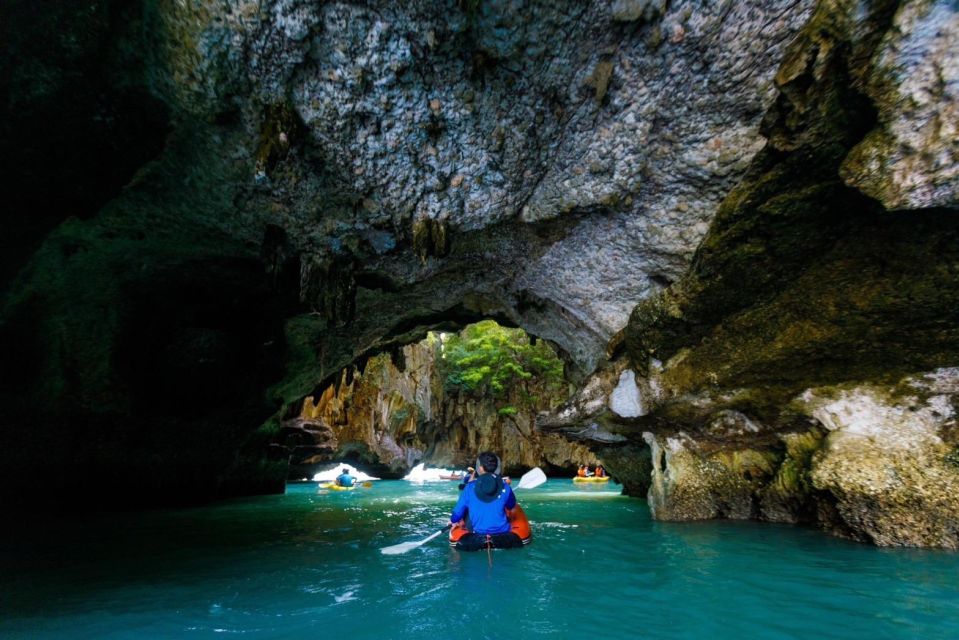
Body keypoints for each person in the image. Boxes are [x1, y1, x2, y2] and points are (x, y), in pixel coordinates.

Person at [448, 451, 523, 550]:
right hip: (503, 535)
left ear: (480, 468)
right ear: (496, 467)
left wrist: (453, 521)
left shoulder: (469, 488)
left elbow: (456, 515)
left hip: (478, 535)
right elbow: (511, 506)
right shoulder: (505, 487)